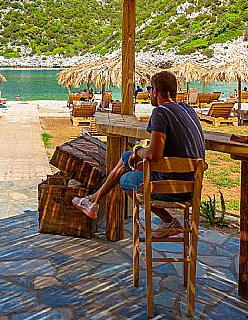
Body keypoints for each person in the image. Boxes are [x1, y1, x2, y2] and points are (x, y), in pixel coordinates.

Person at [73, 71, 205, 236]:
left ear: (155, 91)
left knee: (124, 180)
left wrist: (138, 151)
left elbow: (154, 154)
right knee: (126, 158)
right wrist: (139, 156)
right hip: (191, 184)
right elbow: (167, 150)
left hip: (170, 187)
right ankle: (93, 200)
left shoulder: (160, 112)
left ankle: (168, 220)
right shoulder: (188, 110)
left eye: (150, 89)